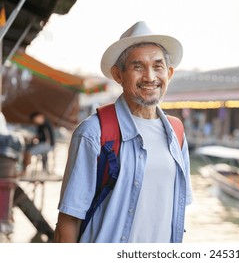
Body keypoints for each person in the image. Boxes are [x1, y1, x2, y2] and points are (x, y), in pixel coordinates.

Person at [54, 21, 193, 243]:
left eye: (158, 66)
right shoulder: (93, 133)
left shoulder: (176, 133)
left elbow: (175, 212)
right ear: (118, 75)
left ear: (169, 73)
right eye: (138, 67)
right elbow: (68, 223)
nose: (150, 77)